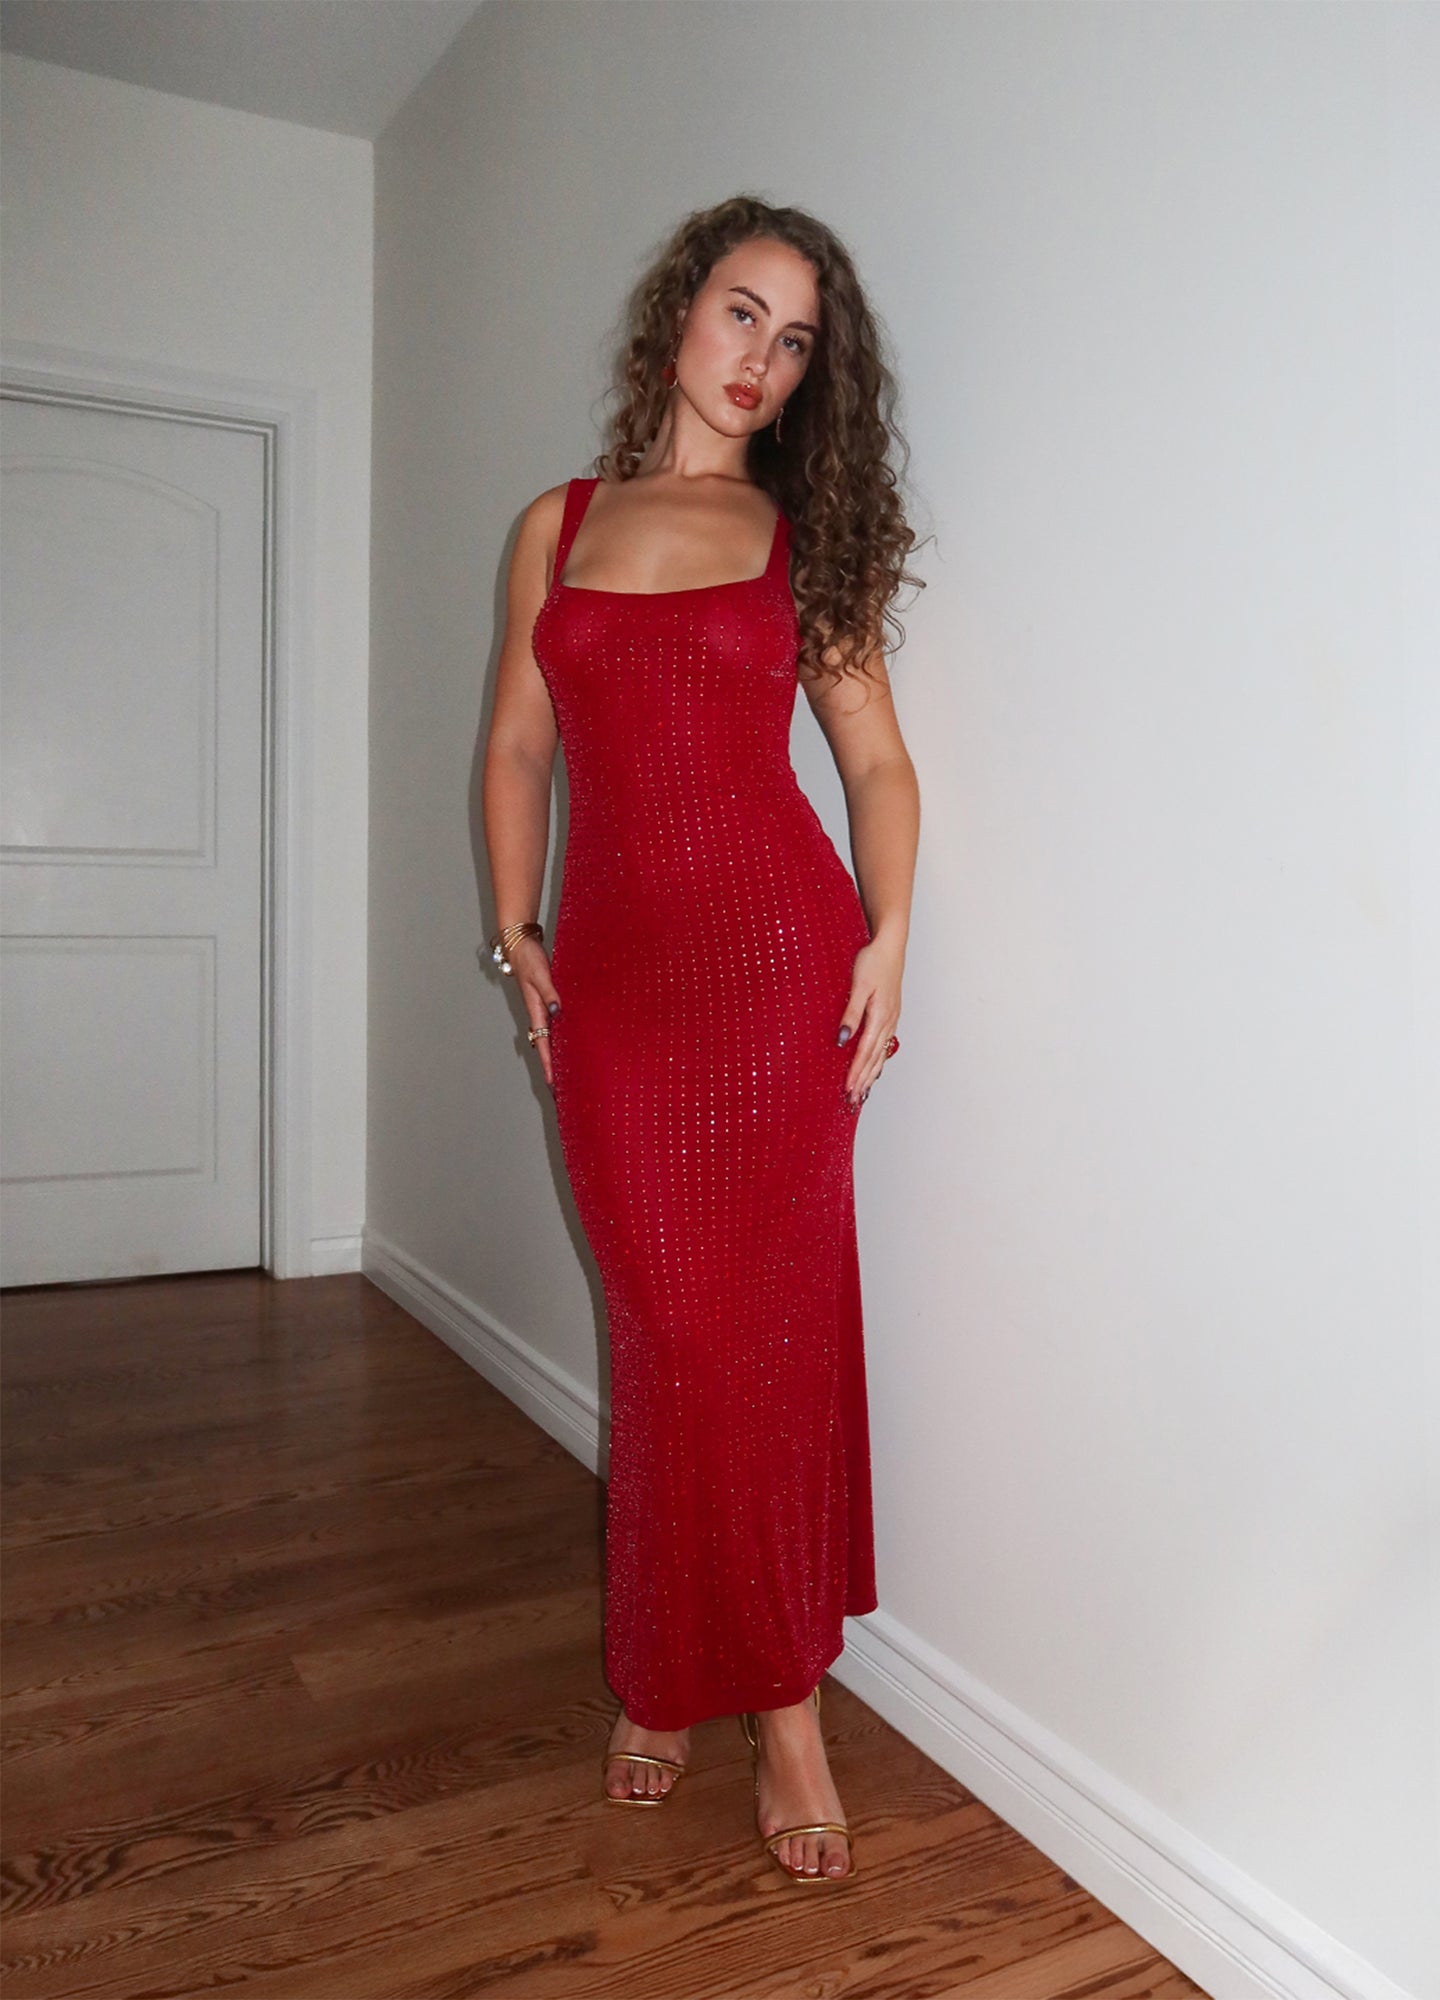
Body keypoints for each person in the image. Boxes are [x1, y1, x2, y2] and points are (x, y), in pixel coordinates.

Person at [481, 194, 921, 1885]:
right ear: (679, 312)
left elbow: (874, 764)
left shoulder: (800, 538)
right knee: (664, 1322)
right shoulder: (558, 523)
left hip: (777, 974)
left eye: (796, 340)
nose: (762, 359)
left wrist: (889, 931)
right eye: (743, 313)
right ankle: (665, 1665)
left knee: (766, 1335)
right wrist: (514, 926)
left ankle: (784, 1706)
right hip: (618, 990)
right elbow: (518, 748)